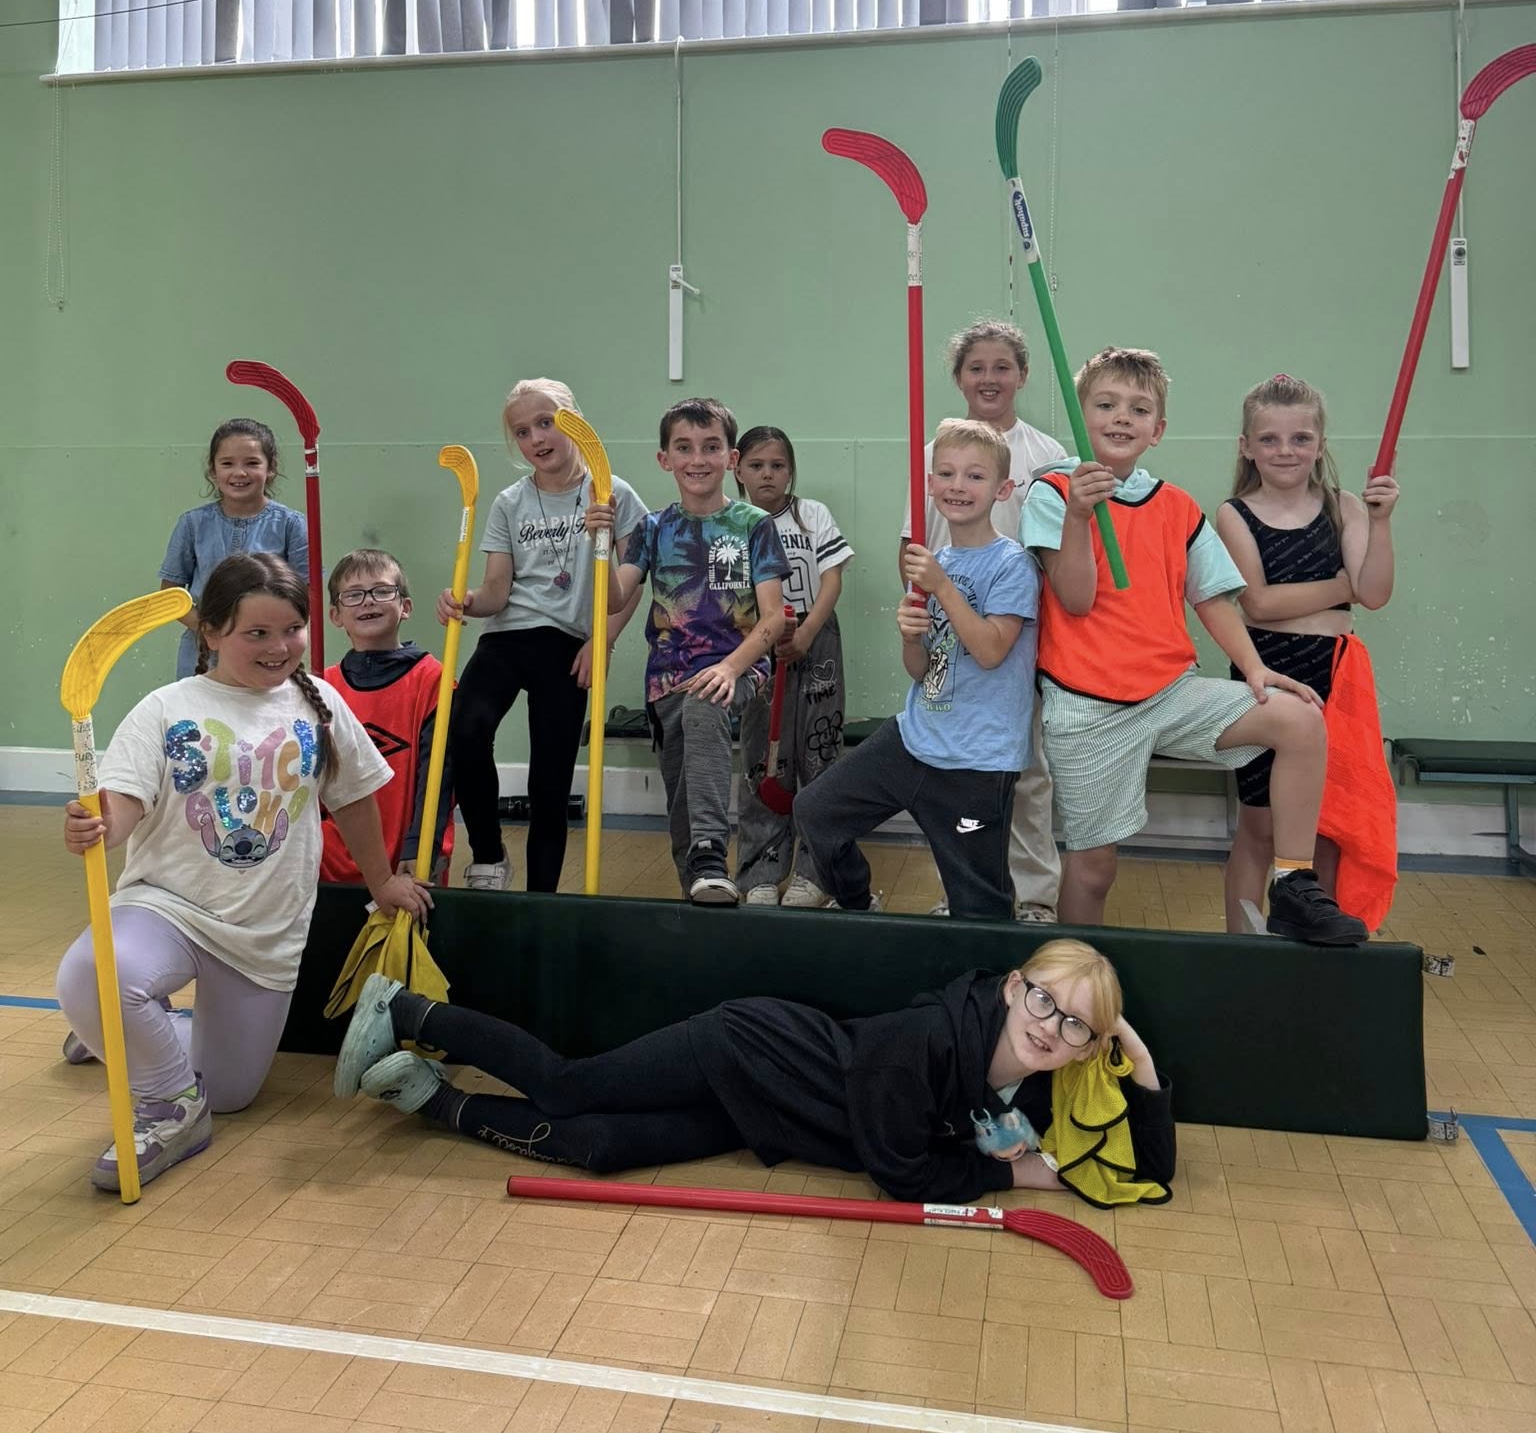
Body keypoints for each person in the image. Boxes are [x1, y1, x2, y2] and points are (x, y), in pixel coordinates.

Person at [56, 552, 429, 1193]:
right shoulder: (167, 706)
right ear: (212, 633)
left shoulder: (321, 706)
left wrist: (381, 882)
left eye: (291, 630)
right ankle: (169, 1109)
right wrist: (99, 824)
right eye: (256, 633)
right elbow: (122, 804)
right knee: (91, 974)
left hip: (263, 932)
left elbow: (356, 799)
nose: (278, 646)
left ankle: (134, 1035)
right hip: (167, 906)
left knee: (229, 1094)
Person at [334, 936, 1174, 1208]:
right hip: (746, 1048)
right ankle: (405, 1010)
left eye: (1075, 1028)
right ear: (1012, 985)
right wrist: (1011, 1178)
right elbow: (898, 1170)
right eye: (1043, 1003)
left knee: (602, 1151)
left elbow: (1154, 1175)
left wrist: (1138, 1063)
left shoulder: (1031, 1082)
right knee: (571, 1086)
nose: (1050, 1031)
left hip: (764, 1117)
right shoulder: (928, 1040)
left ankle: (432, 1098)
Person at [1021, 347, 1367, 945]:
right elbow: (1074, 599)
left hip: (1170, 693)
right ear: (1081, 417)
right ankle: (1071, 974)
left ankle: (1292, 884)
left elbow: (1214, 599)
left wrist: (1257, 670)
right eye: (1105, 405)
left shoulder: (1176, 506)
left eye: (1138, 408)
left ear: (1158, 430)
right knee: (1095, 868)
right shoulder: (1053, 493)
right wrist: (1080, 514)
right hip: (1088, 709)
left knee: (1301, 721)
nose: (1121, 417)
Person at [797, 420, 1038, 921]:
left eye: (975, 476)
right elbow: (923, 671)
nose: (957, 485)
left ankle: (986, 985)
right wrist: (909, 638)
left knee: (978, 904)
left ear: (1003, 489)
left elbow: (993, 651)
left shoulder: (1011, 564)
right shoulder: (933, 562)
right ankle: (859, 906)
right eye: (946, 473)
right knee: (816, 811)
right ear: (930, 485)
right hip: (913, 739)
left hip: (978, 761)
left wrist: (943, 586)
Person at [437, 380, 647, 893]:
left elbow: (627, 588)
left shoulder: (613, 493)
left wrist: (604, 640)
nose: (536, 438)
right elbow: (495, 590)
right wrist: (464, 601)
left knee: (550, 779)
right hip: (507, 638)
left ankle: (543, 898)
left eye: (547, 422)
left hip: (566, 643)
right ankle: (487, 854)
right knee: (465, 732)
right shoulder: (510, 502)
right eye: (522, 431)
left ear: (574, 420)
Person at [1216, 373, 1400, 932]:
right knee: (1262, 825)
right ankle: (1239, 946)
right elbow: (1260, 603)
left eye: (1300, 439)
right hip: (1265, 673)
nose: (1285, 451)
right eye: (1269, 439)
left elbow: (1375, 592)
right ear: (1247, 446)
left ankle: (1310, 935)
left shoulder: (1343, 506)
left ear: (1320, 444)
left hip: (1334, 675)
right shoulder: (1234, 513)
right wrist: (1342, 584)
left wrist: (1381, 523)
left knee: (1328, 824)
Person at [594, 397, 788, 906]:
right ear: (665, 459)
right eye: (684, 448)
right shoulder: (652, 529)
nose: (697, 459)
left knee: (706, 702)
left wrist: (729, 667)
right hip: (665, 683)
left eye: (710, 447)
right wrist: (598, 542)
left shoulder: (753, 525)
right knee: (681, 812)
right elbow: (616, 596)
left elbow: (773, 618)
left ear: (731, 457)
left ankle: (711, 852)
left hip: (738, 671)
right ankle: (703, 891)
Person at [901, 320, 1065, 922]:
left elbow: (1054, 553)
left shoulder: (1047, 455)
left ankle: (1036, 898)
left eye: (1002, 367)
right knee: (952, 772)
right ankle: (960, 888)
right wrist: (919, 618)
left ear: (1022, 375)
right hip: (950, 636)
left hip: (1016, 636)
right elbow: (912, 547)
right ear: (958, 378)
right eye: (977, 367)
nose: (989, 378)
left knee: (1026, 771)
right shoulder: (931, 456)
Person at [734, 426, 853, 908]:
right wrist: (760, 639)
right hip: (754, 645)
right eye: (757, 465)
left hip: (815, 639)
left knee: (819, 756)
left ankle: (816, 873)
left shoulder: (811, 515)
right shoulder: (732, 521)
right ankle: (760, 869)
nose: (768, 474)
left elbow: (832, 580)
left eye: (778, 465)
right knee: (764, 760)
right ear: (737, 467)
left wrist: (803, 634)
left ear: (791, 470)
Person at [318, 549, 450, 886]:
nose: (367, 602)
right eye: (354, 595)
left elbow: (439, 776)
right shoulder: (323, 688)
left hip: (407, 855)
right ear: (335, 615)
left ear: (405, 606)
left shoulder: (433, 681)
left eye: (382, 591)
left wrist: (421, 846)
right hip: (330, 859)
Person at [160, 418, 308, 680]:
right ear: (213, 470)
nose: (239, 473)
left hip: (267, 650)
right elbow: (169, 594)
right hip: (202, 649)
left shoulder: (291, 524)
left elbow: (307, 592)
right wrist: (211, 632)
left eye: (252, 463)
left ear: (270, 469)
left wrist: (270, 634)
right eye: (227, 463)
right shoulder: (192, 524)